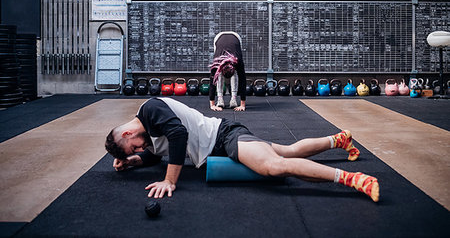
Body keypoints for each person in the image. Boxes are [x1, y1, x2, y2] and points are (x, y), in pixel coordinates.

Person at [105, 97, 380, 202]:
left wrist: (169, 180)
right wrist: (134, 161)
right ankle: (340, 140)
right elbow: (156, 152)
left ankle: (355, 180)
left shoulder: (151, 109)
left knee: (274, 167)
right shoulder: (149, 127)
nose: (137, 147)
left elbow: (178, 136)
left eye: (132, 146)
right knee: (287, 152)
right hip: (217, 147)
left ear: (127, 133)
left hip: (225, 137)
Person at [209, 31, 247, 111]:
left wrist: (242, 105)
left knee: (237, 73)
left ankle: (233, 99)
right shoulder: (217, 62)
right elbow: (212, 80)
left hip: (236, 37)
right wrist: (212, 105)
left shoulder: (238, 61)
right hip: (219, 38)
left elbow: (242, 79)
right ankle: (220, 99)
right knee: (217, 74)